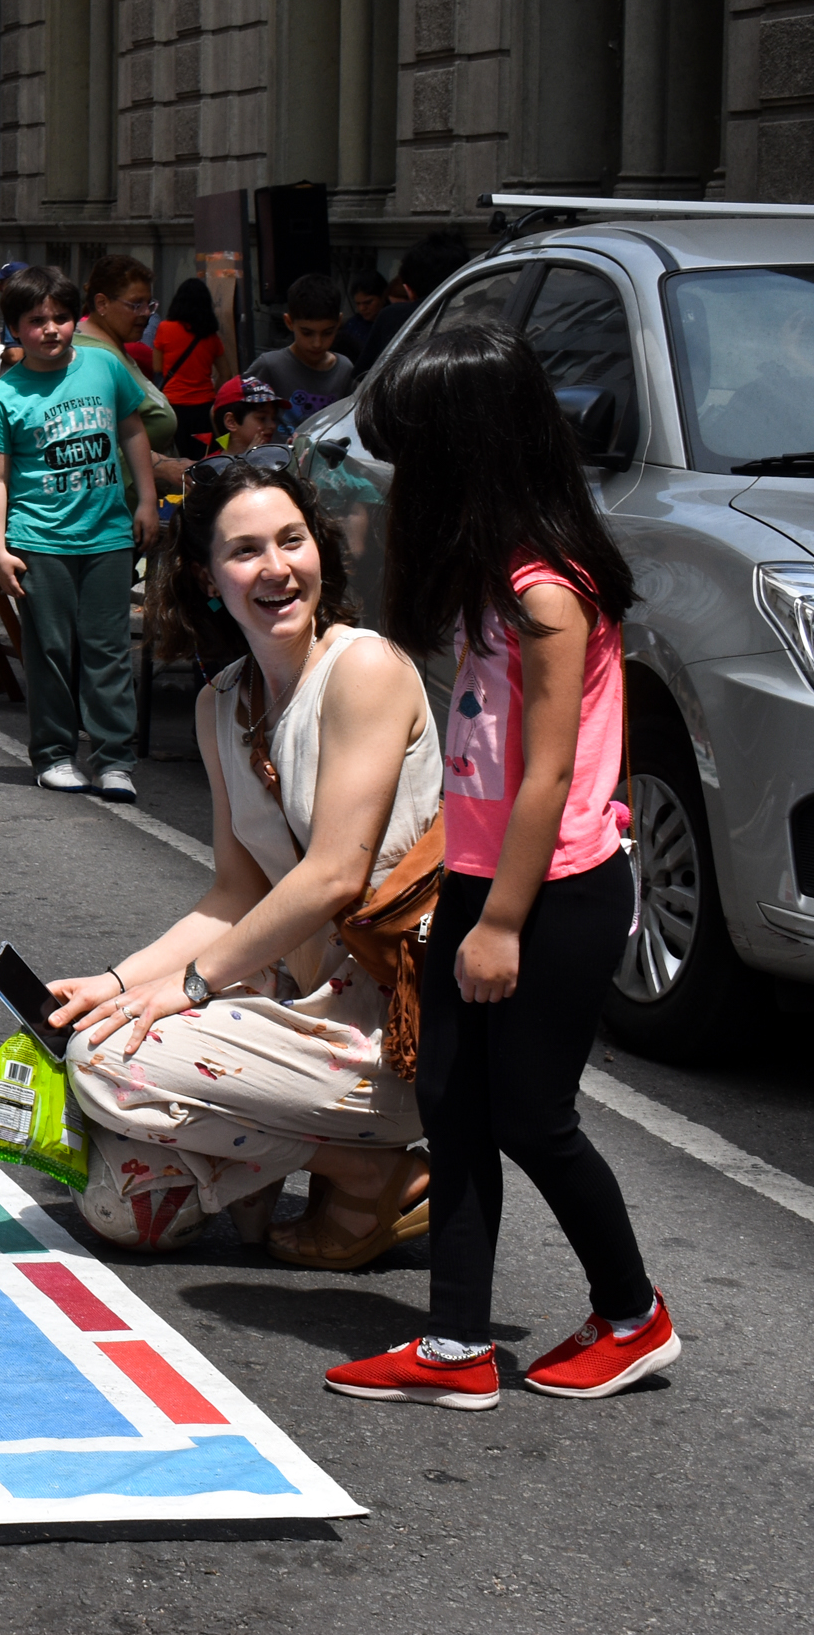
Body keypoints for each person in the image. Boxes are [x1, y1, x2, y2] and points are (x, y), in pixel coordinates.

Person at [323, 321, 675, 1411]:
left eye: (418, 449)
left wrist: (500, 922)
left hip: (552, 891)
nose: (403, 471)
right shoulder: (495, 572)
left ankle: (633, 1314)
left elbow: (547, 775)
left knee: (531, 1115)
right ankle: (454, 1345)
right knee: (455, 1102)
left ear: (473, 448)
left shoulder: (547, 592)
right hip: (486, 880)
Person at [44, 459, 438, 1260]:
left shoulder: (364, 668)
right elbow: (233, 892)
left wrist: (188, 987)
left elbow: (334, 874)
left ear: (321, 549)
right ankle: (320, 1171)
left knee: (104, 1065)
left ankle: (366, 1171)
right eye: (246, 551)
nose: (277, 569)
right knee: (125, 1205)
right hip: (292, 1003)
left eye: (292, 541)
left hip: (390, 1029)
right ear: (206, 577)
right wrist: (116, 985)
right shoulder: (220, 702)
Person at [0, 266, 160, 799]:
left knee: (108, 650)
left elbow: (131, 429)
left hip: (107, 536)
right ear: (14, 328)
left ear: (77, 318)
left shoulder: (105, 366)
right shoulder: (4, 396)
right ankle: (54, 754)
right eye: (36, 321)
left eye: (60, 317)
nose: (51, 329)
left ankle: (114, 759)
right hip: (40, 541)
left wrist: (145, 499)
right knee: (51, 651)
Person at [78, 253, 186, 500]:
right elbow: (91, 443)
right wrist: (161, 466)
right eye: (136, 304)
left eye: (150, 304)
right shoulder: (91, 356)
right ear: (102, 304)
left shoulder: (116, 348)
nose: (146, 313)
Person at [245, 274, 356, 438]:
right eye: (307, 333)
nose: (317, 343)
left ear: (339, 322)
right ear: (289, 322)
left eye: (327, 332)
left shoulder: (345, 369)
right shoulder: (270, 366)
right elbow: (227, 412)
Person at [152, 281, 224, 448]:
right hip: (204, 408)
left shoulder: (164, 328)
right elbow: (226, 373)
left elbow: (157, 367)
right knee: (202, 454)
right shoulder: (211, 337)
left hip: (173, 406)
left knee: (178, 455)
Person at [211, 374, 285, 460]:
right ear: (231, 422)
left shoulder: (275, 458)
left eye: (273, 418)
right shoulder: (211, 467)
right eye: (262, 418)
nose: (272, 425)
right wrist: (247, 460)